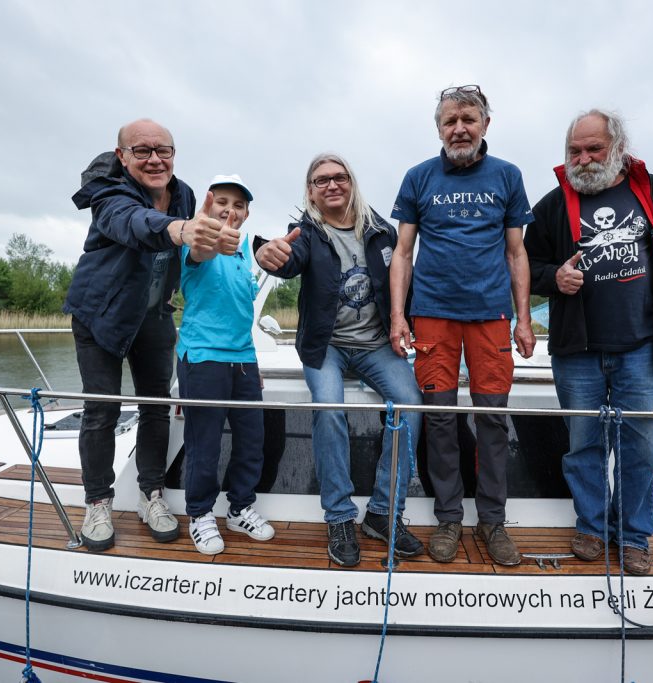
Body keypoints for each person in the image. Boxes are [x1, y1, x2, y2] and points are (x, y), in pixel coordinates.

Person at [523, 109, 653, 575]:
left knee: (639, 448)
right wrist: (553, 277)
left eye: (593, 149)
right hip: (577, 351)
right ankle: (591, 527)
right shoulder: (550, 206)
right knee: (583, 446)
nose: (583, 159)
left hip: (642, 348)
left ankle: (633, 537)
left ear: (618, 148)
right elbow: (524, 265)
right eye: (575, 151)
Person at [65, 119, 240, 552]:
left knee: (156, 408)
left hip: (154, 315)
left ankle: (151, 495)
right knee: (102, 410)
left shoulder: (184, 194)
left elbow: (191, 251)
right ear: (122, 156)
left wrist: (203, 245)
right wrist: (179, 229)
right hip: (100, 314)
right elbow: (132, 222)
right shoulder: (109, 193)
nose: (155, 159)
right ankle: (98, 503)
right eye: (142, 151)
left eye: (164, 150)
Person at [388, 85, 536, 566]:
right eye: (450, 121)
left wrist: (524, 320)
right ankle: (449, 517)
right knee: (440, 420)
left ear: (485, 124)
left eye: (468, 119)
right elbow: (402, 254)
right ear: (438, 129)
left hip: (491, 317)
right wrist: (398, 316)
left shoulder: (507, 176)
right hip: (432, 316)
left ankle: (492, 520)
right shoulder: (418, 177)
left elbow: (516, 252)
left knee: (492, 419)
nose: (459, 129)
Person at [255, 153, 423, 568]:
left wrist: (408, 324)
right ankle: (340, 517)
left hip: (375, 344)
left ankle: (383, 513)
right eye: (321, 180)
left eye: (339, 177)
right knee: (330, 408)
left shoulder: (381, 231)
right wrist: (267, 253)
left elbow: (404, 279)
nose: (332, 185)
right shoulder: (307, 233)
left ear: (351, 182)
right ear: (310, 191)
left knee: (411, 405)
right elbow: (288, 259)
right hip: (325, 345)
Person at [177, 174, 275, 555]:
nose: (230, 210)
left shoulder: (245, 251)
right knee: (204, 443)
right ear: (208, 205)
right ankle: (200, 514)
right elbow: (200, 254)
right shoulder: (195, 241)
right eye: (222, 202)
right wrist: (209, 239)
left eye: (238, 205)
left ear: (246, 213)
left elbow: (240, 311)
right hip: (203, 357)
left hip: (244, 360)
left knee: (252, 440)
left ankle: (239, 508)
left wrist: (253, 361)